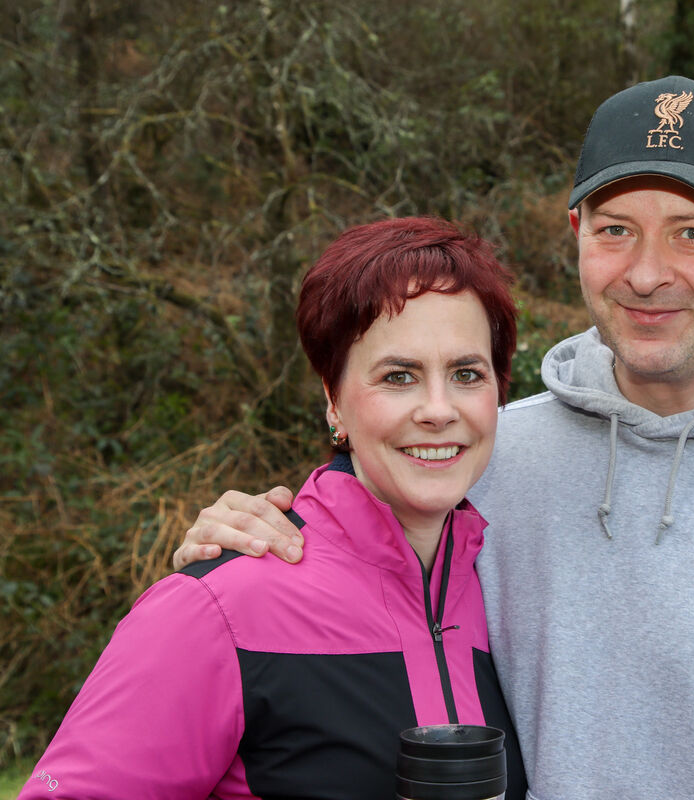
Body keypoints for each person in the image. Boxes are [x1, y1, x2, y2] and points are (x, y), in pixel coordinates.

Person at [174, 77, 694, 798]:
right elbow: (340, 566)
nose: (647, 273)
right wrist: (242, 538)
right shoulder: (480, 456)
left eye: (693, 233)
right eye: (617, 229)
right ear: (577, 235)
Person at [19, 217, 527, 799]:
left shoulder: (511, 594)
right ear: (333, 400)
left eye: (466, 374)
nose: (439, 410)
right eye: (399, 376)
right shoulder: (215, 608)